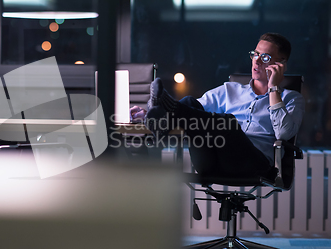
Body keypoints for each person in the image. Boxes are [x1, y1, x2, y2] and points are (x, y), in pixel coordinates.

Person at [129, 32, 305, 179]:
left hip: (254, 165)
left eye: (265, 57)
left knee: (228, 123)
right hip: (211, 161)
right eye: (255, 54)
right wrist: (148, 114)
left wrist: (273, 88)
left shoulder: (291, 99)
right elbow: (191, 111)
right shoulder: (230, 90)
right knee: (191, 103)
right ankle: (161, 115)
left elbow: (283, 133)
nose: (256, 61)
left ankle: (166, 111)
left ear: (280, 64)